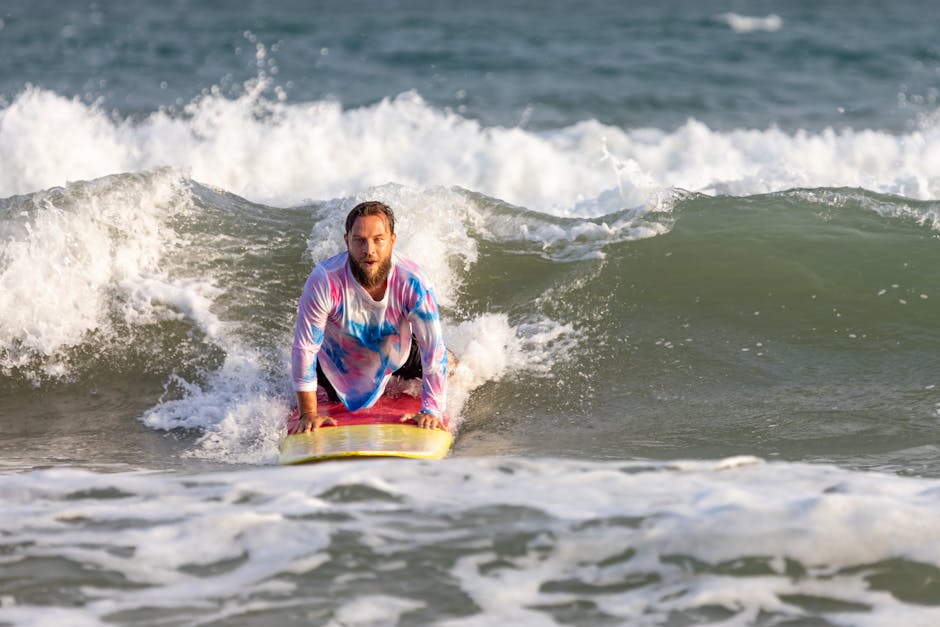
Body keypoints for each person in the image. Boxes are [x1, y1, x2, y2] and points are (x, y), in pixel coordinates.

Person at [290, 201, 448, 434]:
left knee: (449, 363)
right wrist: (308, 413)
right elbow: (305, 348)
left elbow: (432, 348)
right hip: (337, 365)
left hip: (395, 354)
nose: (369, 249)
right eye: (359, 240)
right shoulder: (325, 280)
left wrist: (432, 410)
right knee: (330, 392)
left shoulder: (412, 281)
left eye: (378, 239)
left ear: (392, 240)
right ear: (347, 241)